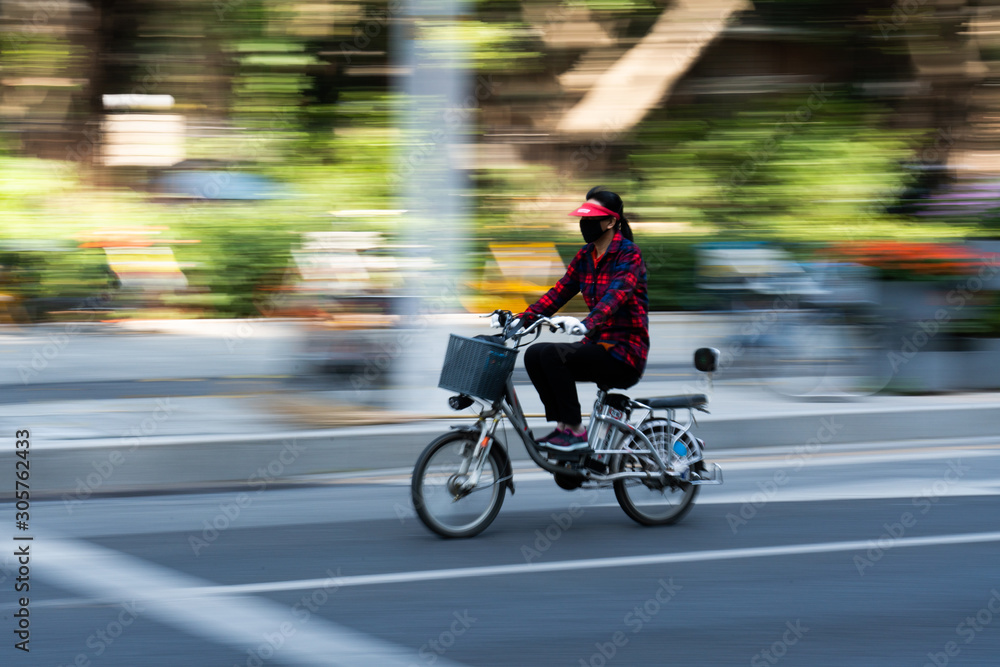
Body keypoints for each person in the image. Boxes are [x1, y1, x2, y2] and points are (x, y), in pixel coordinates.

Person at [518, 186, 649, 452]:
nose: (585, 223)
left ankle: (576, 431)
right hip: (597, 347)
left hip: (624, 353)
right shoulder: (585, 257)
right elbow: (558, 292)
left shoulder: (628, 253)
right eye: (584, 217)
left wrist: (586, 323)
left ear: (611, 221)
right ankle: (564, 429)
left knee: (555, 356)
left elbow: (617, 295)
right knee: (534, 355)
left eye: (592, 218)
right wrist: (521, 319)